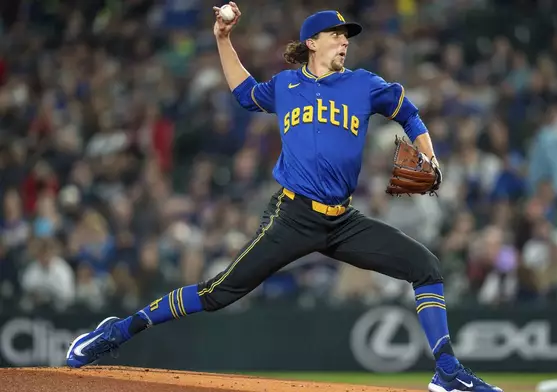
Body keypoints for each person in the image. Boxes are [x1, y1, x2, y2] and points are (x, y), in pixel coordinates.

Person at [66, 4, 502, 391]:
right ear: (312, 42)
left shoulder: (363, 85)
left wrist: (429, 154)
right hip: (291, 216)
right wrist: (223, 38)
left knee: (425, 266)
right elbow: (243, 93)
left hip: (343, 220)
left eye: (347, 37)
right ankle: (119, 331)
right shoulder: (286, 85)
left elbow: (408, 112)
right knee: (219, 293)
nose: (343, 42)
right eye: (336, 35)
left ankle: (446, 371)